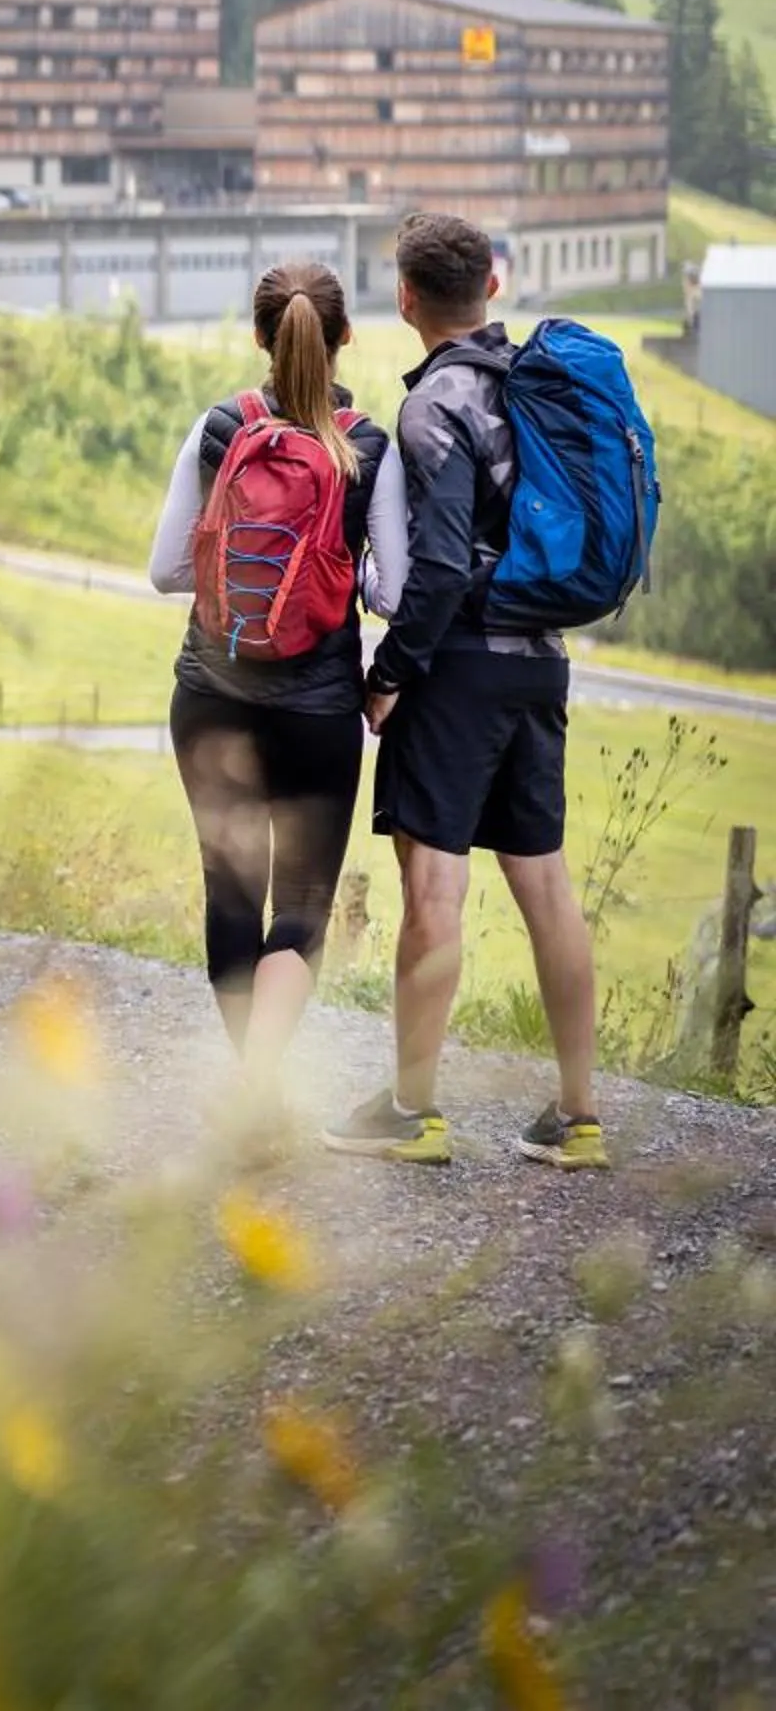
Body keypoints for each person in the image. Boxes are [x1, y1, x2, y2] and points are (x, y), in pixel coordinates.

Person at [323, 211, 607, 1171]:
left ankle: (412, 1110)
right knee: (547, 885)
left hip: (461, 671)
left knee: (434, 886)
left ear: (406, 299)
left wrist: (389, 675)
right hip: (541, 661)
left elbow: (441, 566)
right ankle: (579, 1117)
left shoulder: (435, 404)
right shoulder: (540, 387)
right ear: (492, 284)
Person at [149, 262, 407, 1111]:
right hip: (316, 709)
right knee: (301, 904)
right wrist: (340, 572)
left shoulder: (220, 427)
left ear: (261, 336)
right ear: (344, 338)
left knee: (230, 893)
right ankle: (260, 1083)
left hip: (209, 696)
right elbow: (394, 595)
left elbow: (165, 570)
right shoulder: (367, 447)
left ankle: (249, 1089)